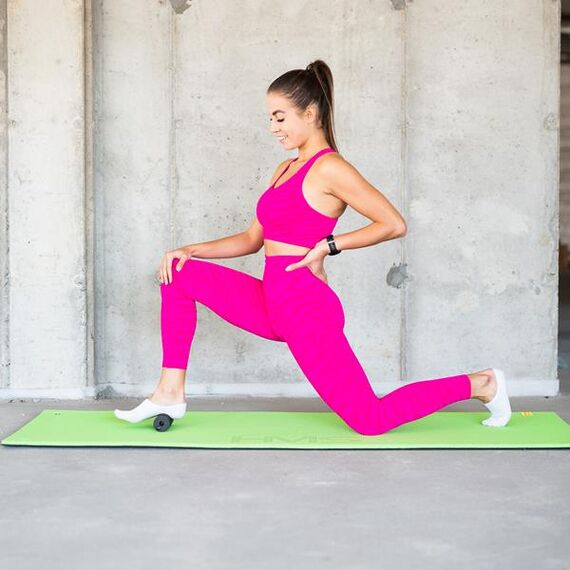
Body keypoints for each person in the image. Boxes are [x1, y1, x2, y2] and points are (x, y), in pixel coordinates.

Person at [115, 60, 512, 434]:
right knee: (179, 273)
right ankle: (169, 393)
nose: (273, 127)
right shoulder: (284, 169)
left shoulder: (330, 168)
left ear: (310, 113)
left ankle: (482, 383)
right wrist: (190, 249)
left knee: (369, 419)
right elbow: (252, 240)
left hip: (304, 307)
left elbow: (393, 224)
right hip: (272, 299)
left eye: (280, 117)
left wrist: (328, 246)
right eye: (270, 118)